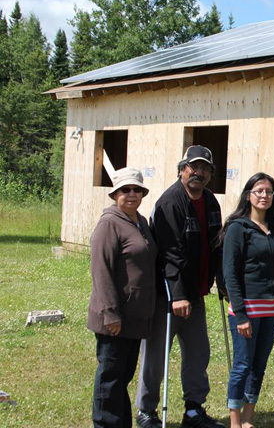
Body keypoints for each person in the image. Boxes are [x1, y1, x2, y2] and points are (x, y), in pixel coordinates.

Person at [135, 145, 225, 428]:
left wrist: (218, 281)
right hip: (168, 296)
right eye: (193, 167)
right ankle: (146, 411)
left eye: (204, 168)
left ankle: (194, 410)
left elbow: (215, 245)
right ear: (181, 170)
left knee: (199, 354)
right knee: (155, 355)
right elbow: (170, 254)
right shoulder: (168, 204)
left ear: (210, 174)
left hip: (196, 295)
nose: (198, 172)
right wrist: (178, 295)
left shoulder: (210, 202)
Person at [88, 167, 157, 428]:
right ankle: (105, 424)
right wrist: (110, 314)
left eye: (136, 190)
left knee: (123, 376)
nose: (131, 194)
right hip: (115, 318)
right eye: (125, 190)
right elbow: (101, 271)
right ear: (115, 194)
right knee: (110, 377)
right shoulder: (109, 223)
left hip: (135, 317)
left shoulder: (140, 221)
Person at [219, 173, 274, 428]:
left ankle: (248, 419)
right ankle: (235, 422)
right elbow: (230, 274)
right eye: (259, 191)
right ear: (249, 195)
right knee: (242, 365)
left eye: (269, 192)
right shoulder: (237, 228)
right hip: (246, 308)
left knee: (259, 365)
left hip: (272, 309)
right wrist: (241, 314)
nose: (264, 196)